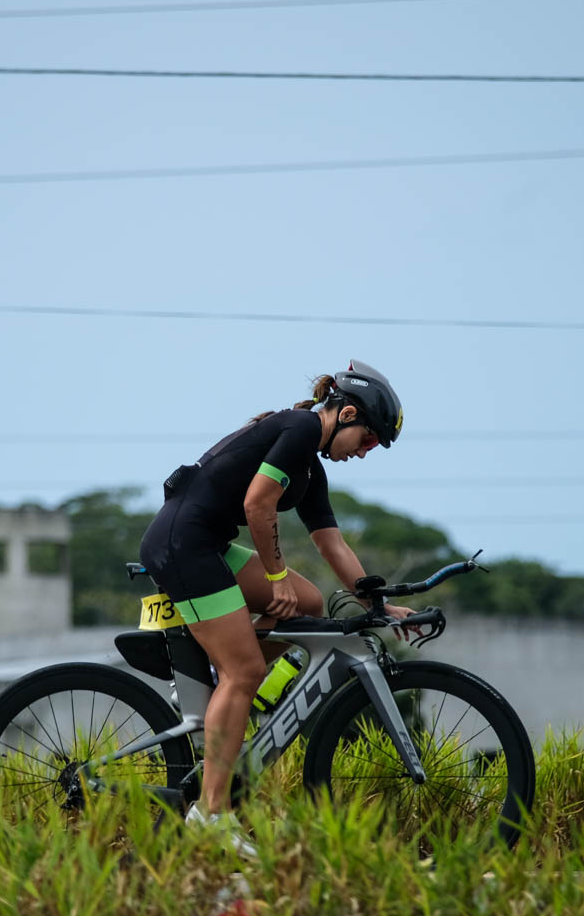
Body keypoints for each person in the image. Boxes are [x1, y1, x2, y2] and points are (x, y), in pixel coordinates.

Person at [138, 360, 415, 849]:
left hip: (205, 544)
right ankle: (212, 815)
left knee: (308, 602)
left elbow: (331, 543)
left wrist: (378, 603)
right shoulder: (300, 428)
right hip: (183, 544)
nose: (364, 452)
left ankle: (217, 683)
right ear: (347, 414)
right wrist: (275, 575)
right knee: (245, 671)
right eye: (369, 440)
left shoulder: (309, 466)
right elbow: (257, 503)